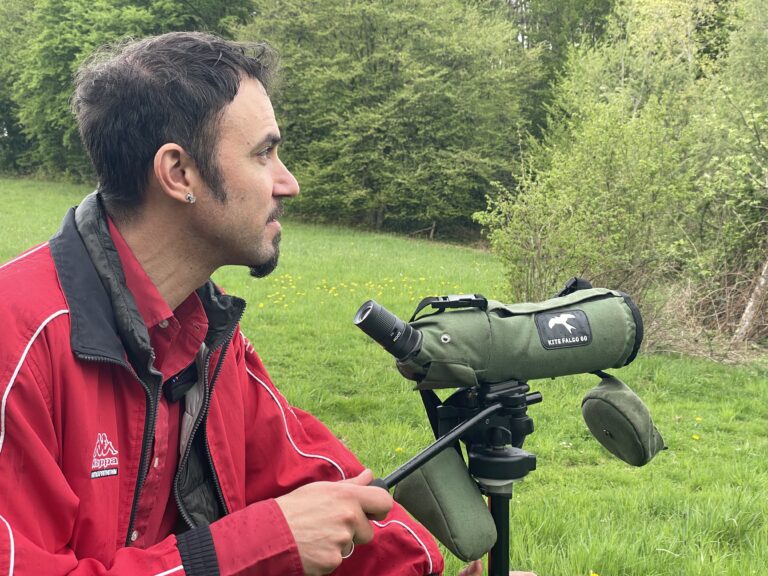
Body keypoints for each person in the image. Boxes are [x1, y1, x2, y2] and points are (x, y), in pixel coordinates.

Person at [0, 32, 536, 576]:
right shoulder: (17, 342)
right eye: (264, 153)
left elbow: (315, 484)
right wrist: (260, 543)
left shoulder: (204, 335)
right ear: (179, 173)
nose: (290, 183)